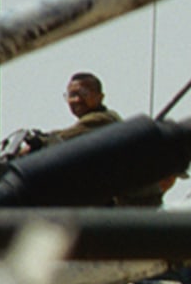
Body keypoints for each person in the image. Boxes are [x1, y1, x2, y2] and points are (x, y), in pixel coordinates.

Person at [47, 71, 171, 206]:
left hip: (134, 205)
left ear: (100, 97)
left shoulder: (103, 120)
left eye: (84, 93)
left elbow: (63, 138)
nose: (77, 100)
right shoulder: (101, 119)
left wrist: (38, 142)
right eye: (72, 95)